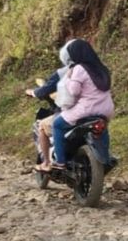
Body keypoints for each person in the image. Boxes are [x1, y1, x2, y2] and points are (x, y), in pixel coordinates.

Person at [49, 39, 114, 170]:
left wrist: (69, 78)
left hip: (87, 109)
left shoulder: (79, 68)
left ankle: (60, 161)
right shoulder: (101, 67)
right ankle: (106, 159)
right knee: (102, 129)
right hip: (106, 108)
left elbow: (74, 91)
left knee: (57, 125)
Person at [27, 39, 76, 172]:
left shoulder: (64, 72)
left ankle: (48, 162)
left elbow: (45, 89)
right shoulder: (94, 70)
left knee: (44, 126)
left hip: (73, 112)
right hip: (97, 111)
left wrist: (33, 92)